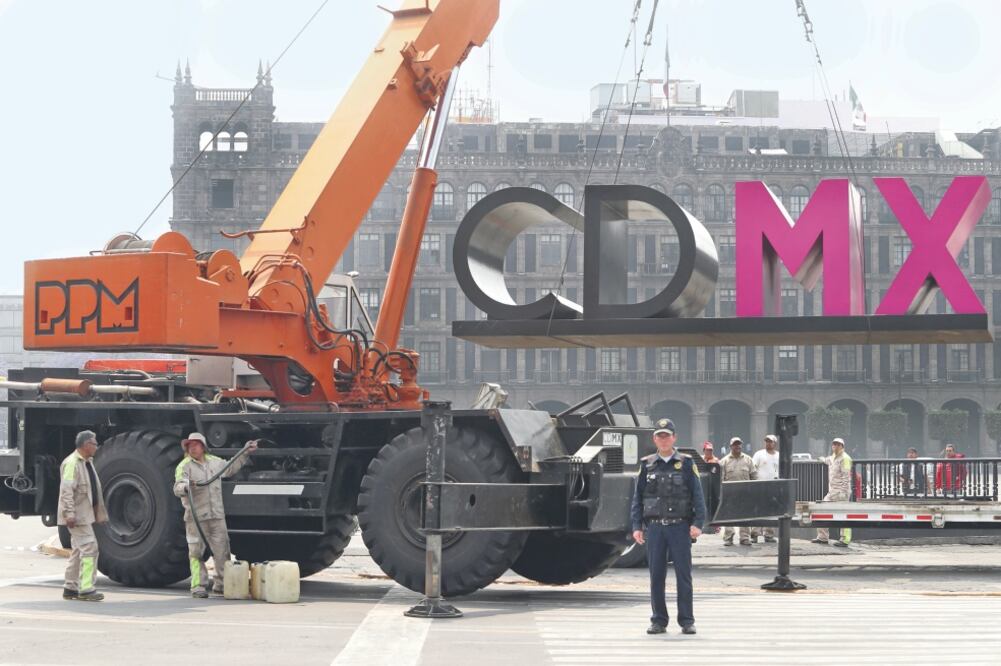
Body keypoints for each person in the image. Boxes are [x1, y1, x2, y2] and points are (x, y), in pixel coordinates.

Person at [631, 418, 706, 636]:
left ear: (674, 438)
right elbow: (638, 498)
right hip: (655, 528)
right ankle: (658, 620)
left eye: (667, 435)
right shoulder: (647, 464)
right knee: (656, 576)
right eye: (659, 436)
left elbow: (697, 496)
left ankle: (686, 620)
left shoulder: (686, 463)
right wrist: (637, 526)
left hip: (680, 528)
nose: (663, 439)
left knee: (684, 575)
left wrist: (698, 523)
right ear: (654, 439)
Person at [173, 433, 258, 598]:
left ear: (203, 446)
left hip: (216, 516)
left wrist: (246, 452)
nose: (192, 448)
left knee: (222, 552)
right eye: (189, 445)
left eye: (195, 445)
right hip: (196, 518)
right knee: (196, 553)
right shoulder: (184, 466)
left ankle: (221, 584)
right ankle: (198, 586)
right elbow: (177, 486)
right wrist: (184, 487)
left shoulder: (215, 462)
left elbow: (231, 467)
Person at [58, 430, 108, 601]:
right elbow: (67, 491)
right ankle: (86, 589)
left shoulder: (86, 462)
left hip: (84, 514)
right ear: (86, 445)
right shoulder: (72, 463)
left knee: (79, 550)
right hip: (77, 516)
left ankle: (70, 587)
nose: (96, 447)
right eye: (94, 444)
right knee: (90, 548)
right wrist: (70, 514)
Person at [813, 437, 853, 547]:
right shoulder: (832, 457)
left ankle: (845, 540)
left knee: (844, 516)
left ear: (842, 447)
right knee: (821, 511)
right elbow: (827, 460)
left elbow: (846, 477)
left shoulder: (845, 458)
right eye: (834, 444)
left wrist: (843, 493)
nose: (835, 446)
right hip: (832, 492)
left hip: (841, 492)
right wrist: (821, 458)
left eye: (838, 444)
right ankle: (823, 537)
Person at [718, 437, 757, 546]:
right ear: (731, 447)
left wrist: (754, 490)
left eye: (739, 444)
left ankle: (744, 538)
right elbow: (720, 479)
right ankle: (728, 538)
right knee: (728, 516)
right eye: (735, 444)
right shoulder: (724, 461)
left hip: (745, 492)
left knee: (745, 515)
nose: (738, 446)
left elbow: (754, 476)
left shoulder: (748, 460)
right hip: (729, 493)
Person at [751, 435, 780, 543]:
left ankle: (769, 535)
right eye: (767, 441)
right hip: (760, 486)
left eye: (770, 441)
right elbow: (753, 469)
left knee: (771, 512)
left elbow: (780, 470)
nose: (768, 443)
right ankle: (754, 534)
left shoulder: (778, 456)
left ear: (775, 443)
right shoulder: (759, 454)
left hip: (773, 487)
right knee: (758, 511)